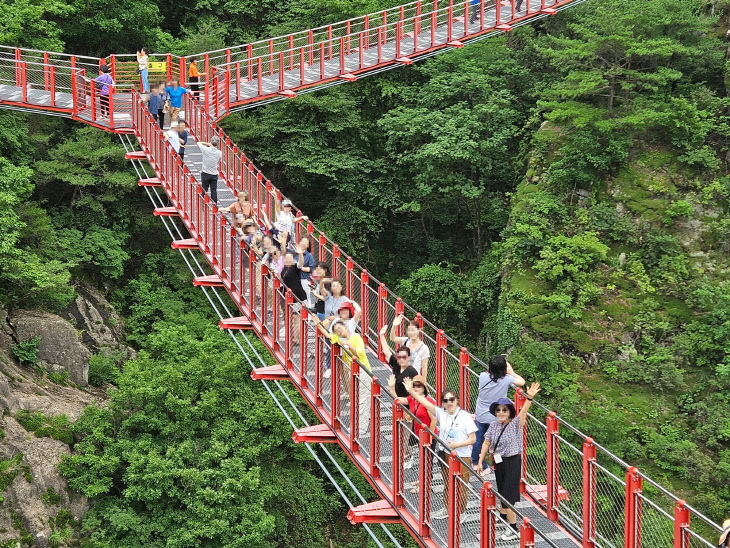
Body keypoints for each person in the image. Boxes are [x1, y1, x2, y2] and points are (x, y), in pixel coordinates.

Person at [404, 379, 476, 522]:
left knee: (461, 484)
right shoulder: (441, 413)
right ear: (442, 403)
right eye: (445, 400)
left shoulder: (465, 416)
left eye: (452, 399)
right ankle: (447, 508)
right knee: (447, 482)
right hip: (445, 452)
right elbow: (424, 402)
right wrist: (411, 391)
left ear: (457, 400)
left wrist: (456, 445)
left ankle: (460, 512)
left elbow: (472, 438)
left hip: (461, 455)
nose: (449, 403)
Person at [477, 383, 541, 541]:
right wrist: (480, 461)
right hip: (499, 462)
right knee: (501, 490)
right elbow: (486, 443)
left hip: (512, 461)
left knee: (507, 495)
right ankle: (503, 516)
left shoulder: (515, 424)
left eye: (504, 410)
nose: (501, 413)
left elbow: (524, 411)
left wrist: (529, 397)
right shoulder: (493, 426)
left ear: (509, 412)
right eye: (498, 410)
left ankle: (513, 529)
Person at [314, 317, 371, 437]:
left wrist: (349, 345)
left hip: (363, 371)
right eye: (336, 330)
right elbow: (327, 335)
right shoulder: (340, 339)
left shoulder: (355, 337)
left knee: (362, 400)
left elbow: (359, 355)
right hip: (352, 372)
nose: (338, 331)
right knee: (356, 400)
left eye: (340, 328)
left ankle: (361, 429)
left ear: (345, 327)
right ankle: (358, 424)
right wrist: (318, 324)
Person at [471, 355, 525, 473]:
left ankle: (476, 463)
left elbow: (489, 372)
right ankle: (496, 465)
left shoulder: (482, 376)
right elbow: (522, 382)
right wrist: (511, 372)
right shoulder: (507, 379)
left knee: (479, 439)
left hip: (480, 414)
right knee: (493, 442)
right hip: (495, 416)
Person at [387, 374, 436, 491]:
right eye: (414, 385)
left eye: (419, 385)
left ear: (424, 388)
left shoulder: (427, 401)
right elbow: (398, 399)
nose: (416, 387)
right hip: (419, 434)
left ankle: (424, 486)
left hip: (429, 436)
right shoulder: (412, 399)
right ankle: (422, 481)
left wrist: (430, 436)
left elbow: (434, 419)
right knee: (422, 459)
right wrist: (392, 387)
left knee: (426, 461)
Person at [379, 323, 418, 399]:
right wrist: (381, 336)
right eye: (399, 357)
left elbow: (415, 394)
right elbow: (387, 351)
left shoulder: (412, 371)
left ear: (409, 357)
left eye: (404, 357)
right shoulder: (396, 364)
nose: (401, 359)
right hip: (397, 400)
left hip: (407, 404)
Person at [390, 314, 430, 379]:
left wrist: (423, 382)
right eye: (409, 330)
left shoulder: (424, 348)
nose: (411, 332)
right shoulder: (406, 341)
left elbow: (424, 367)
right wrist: (394, 326)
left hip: (414, 379)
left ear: (419, 330)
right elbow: (392, 338)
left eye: (413, 330)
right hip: (401, 377)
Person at [197, 136, 222, 203]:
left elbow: (198, 143)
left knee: (204, 189)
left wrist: (207, 144)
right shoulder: (219, 152)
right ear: (217, 143)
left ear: (211, 142)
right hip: (214, 174)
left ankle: (203, 203)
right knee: (213, 190)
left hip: (205, 173)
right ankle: (215, 205)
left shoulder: (205, 149)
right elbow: (219, 161)